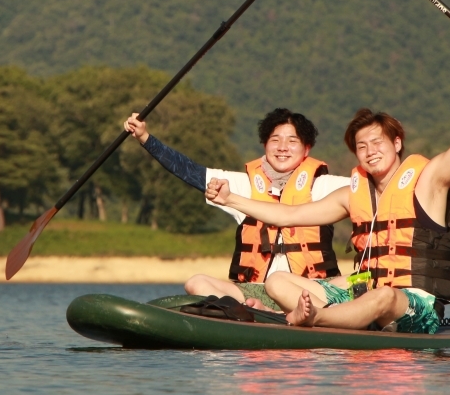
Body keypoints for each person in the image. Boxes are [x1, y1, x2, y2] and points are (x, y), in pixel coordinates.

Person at [205, 65, 450, 333]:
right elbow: (287, 216)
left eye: (377, 142)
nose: (369, 152)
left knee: (382, 297)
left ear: (396, 143)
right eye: (361, 147)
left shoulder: (429, 180)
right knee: (278, 280)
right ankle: (330, 315)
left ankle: (314, 319)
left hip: (411, 303)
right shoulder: (354, 194)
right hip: (362, 292)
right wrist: (230, 198)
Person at [124, 108, 349, 308]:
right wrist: (145, 138)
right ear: (264, 144)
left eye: (292, 141)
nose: (282, 148)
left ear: (306, 149)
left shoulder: (324, 186)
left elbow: (373, 189)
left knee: (351, 281)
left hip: (309, 289)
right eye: (275, 140)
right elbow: (190, 171)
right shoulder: (243, 184)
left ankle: (272, 312)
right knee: (196, 283)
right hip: (255, 290)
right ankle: (258, 311)